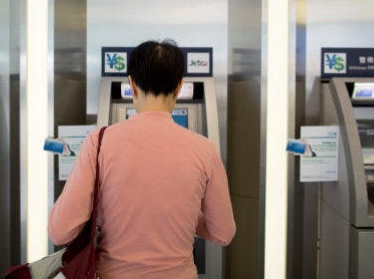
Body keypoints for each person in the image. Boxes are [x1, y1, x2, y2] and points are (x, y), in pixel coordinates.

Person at [49, 39, 236, 278]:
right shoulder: (205, 150)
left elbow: (59, 232)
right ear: (179, 87)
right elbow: (223, 233)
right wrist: (185, 213)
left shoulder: (99, 143)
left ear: (132, 84)